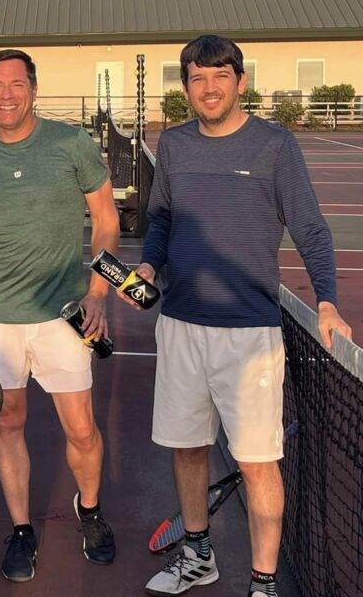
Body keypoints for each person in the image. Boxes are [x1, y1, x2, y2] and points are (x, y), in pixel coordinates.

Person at [137, 35, 351, 597]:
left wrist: (326, 302)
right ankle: (199, 557)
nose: (209, 88)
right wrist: (148, 267)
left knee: (258, 463)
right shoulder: (176, 145)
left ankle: (262, 581)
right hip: (181, 326)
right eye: (197, 79)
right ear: (185, 88)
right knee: (187, 449)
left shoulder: (274, 146)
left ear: (241, 82)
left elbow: (309, 228)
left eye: (220, 76)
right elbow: (160, 219)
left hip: (249, 334)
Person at [0, 49, 119, 582]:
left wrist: (98, 291)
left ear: (33, 88)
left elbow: (106, 218)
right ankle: (22, 528)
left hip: (64, 312)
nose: (7, 93)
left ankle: (89, 512)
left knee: (81, 428)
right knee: (8, 422)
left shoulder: (71, 143)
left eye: (16, 83)